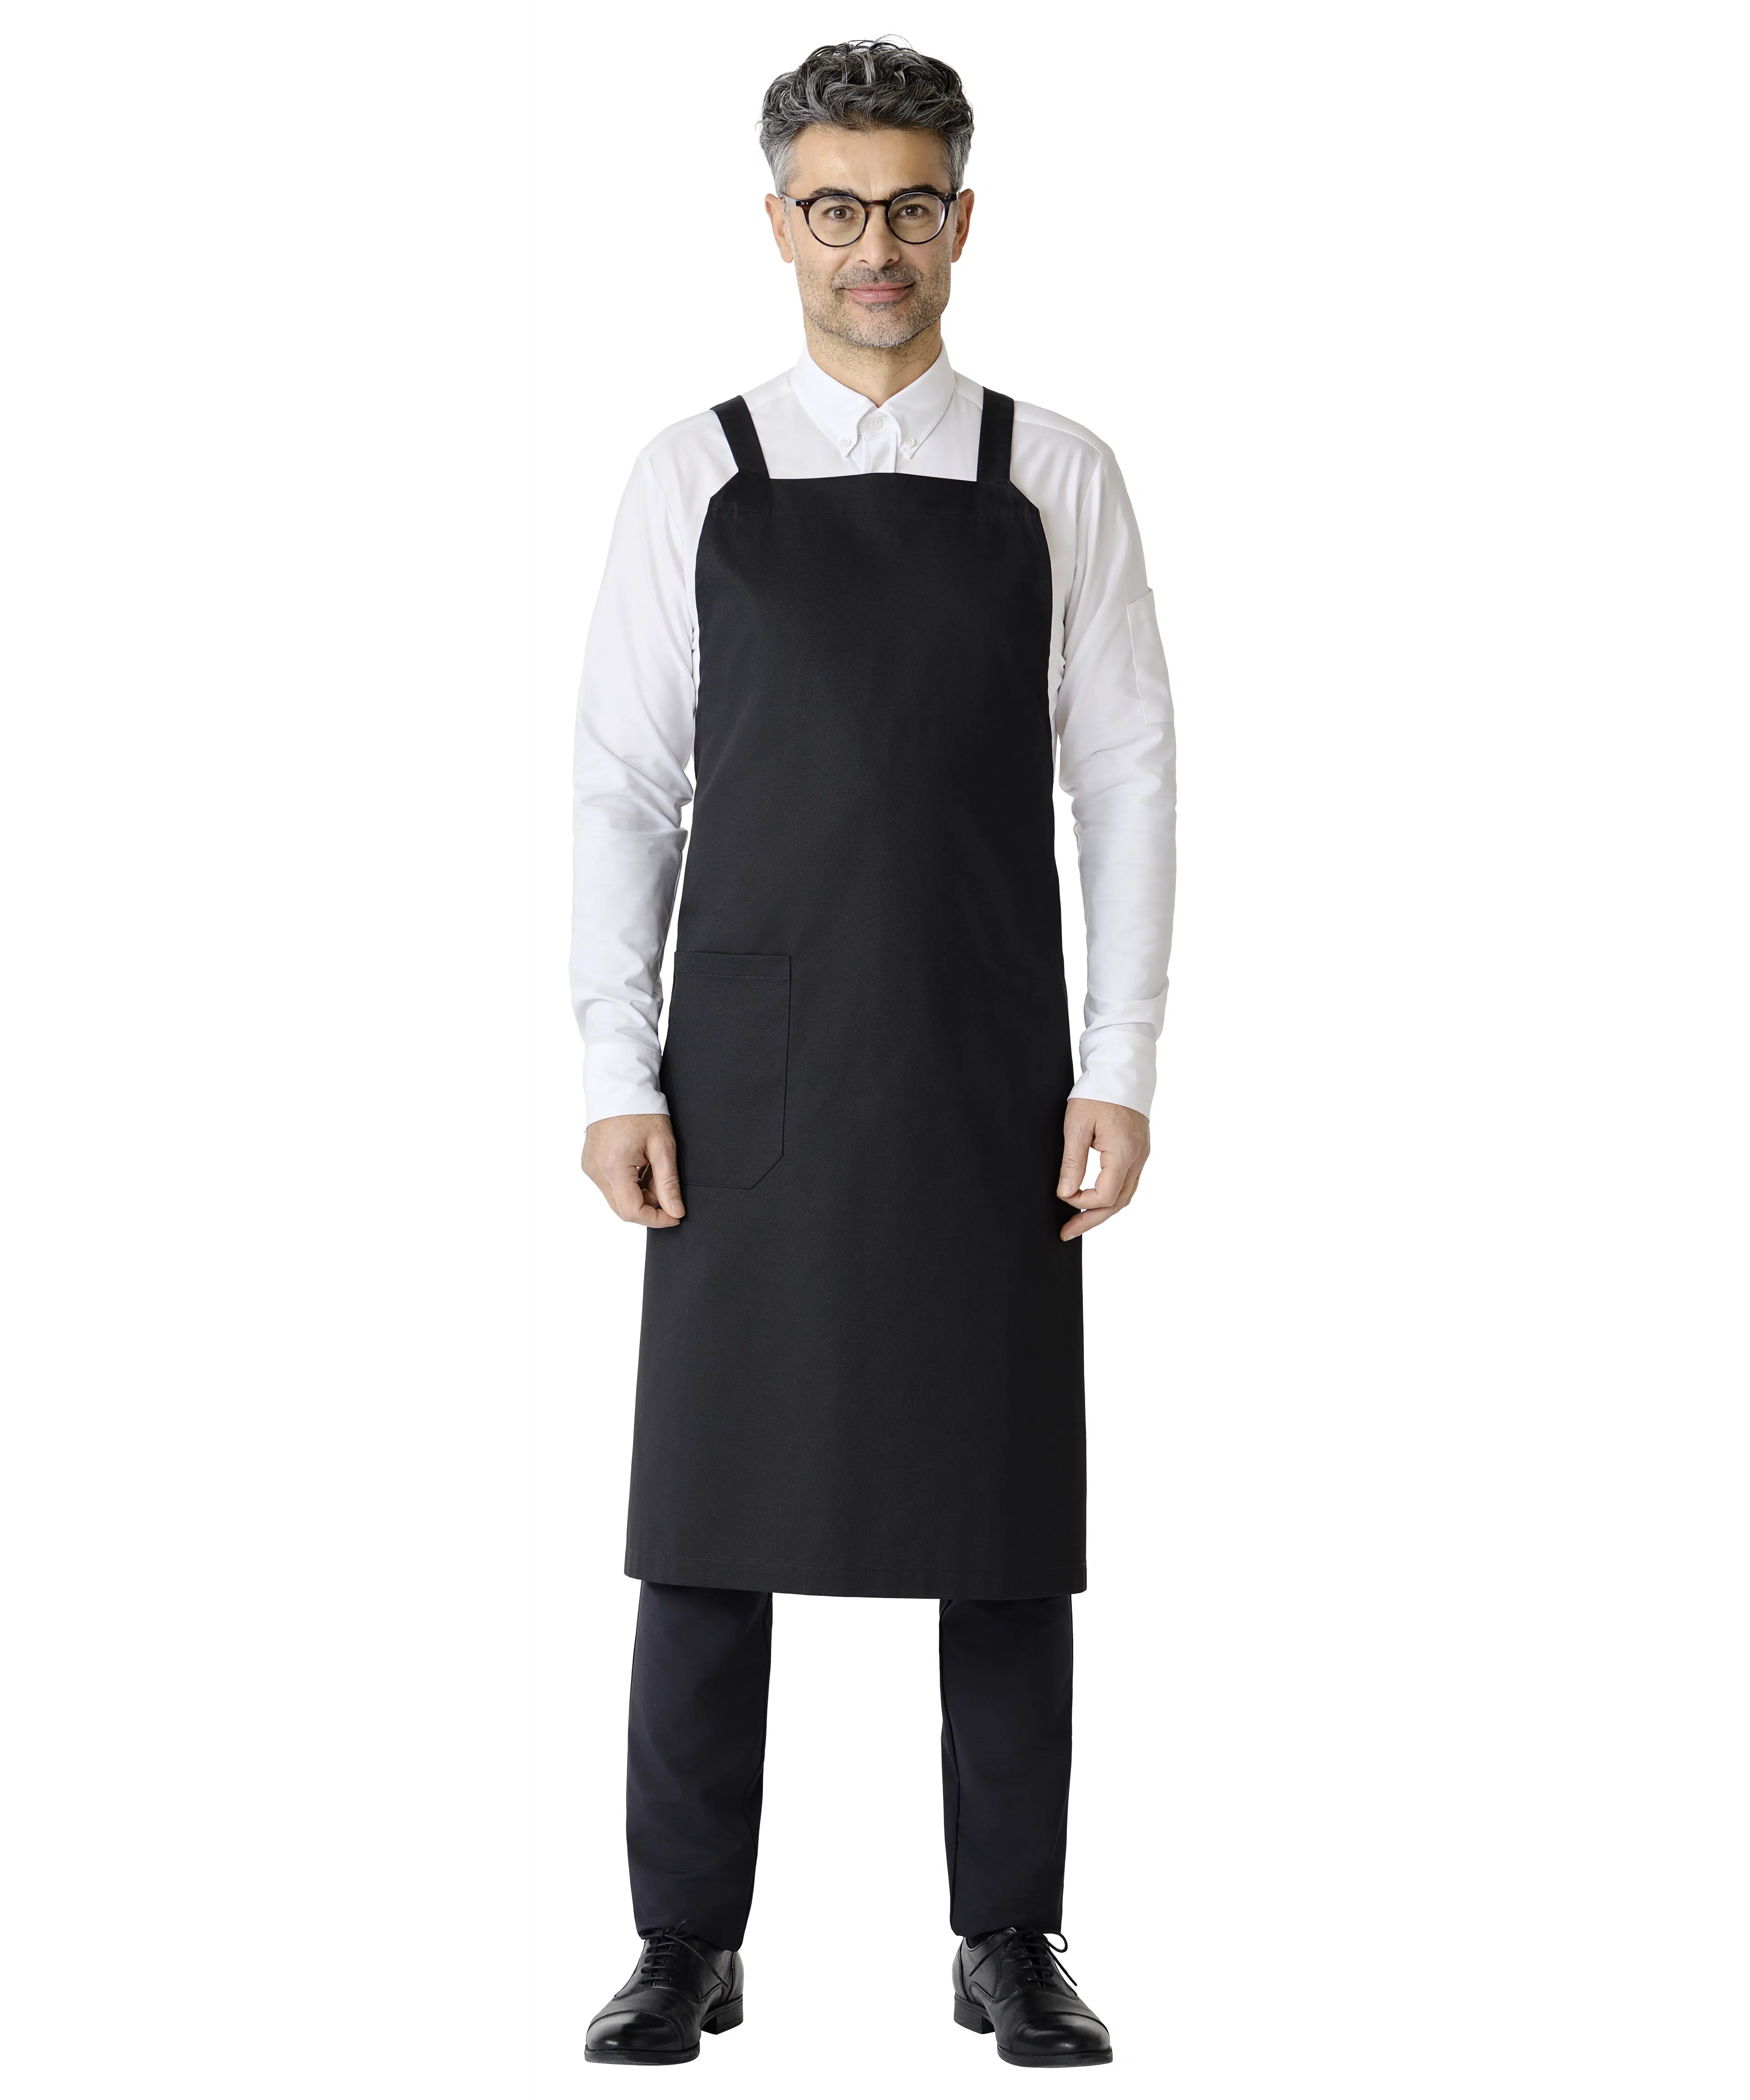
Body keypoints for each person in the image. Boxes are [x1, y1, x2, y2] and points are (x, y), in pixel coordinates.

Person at [569, 37, 1175, 2071]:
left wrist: (1120, 1059)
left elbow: (1129, 779)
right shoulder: (697, 471)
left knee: (1000, 1520)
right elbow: (623, 787)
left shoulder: (1052, 471)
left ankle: (1010, 1933)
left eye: (911, 204)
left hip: (985, 1062)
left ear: (962, 218)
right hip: (745, 1074)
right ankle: (684, 1939)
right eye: (836, 207)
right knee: (707, 1518)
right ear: (780, 225)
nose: (875, 247)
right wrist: (616, 1068)